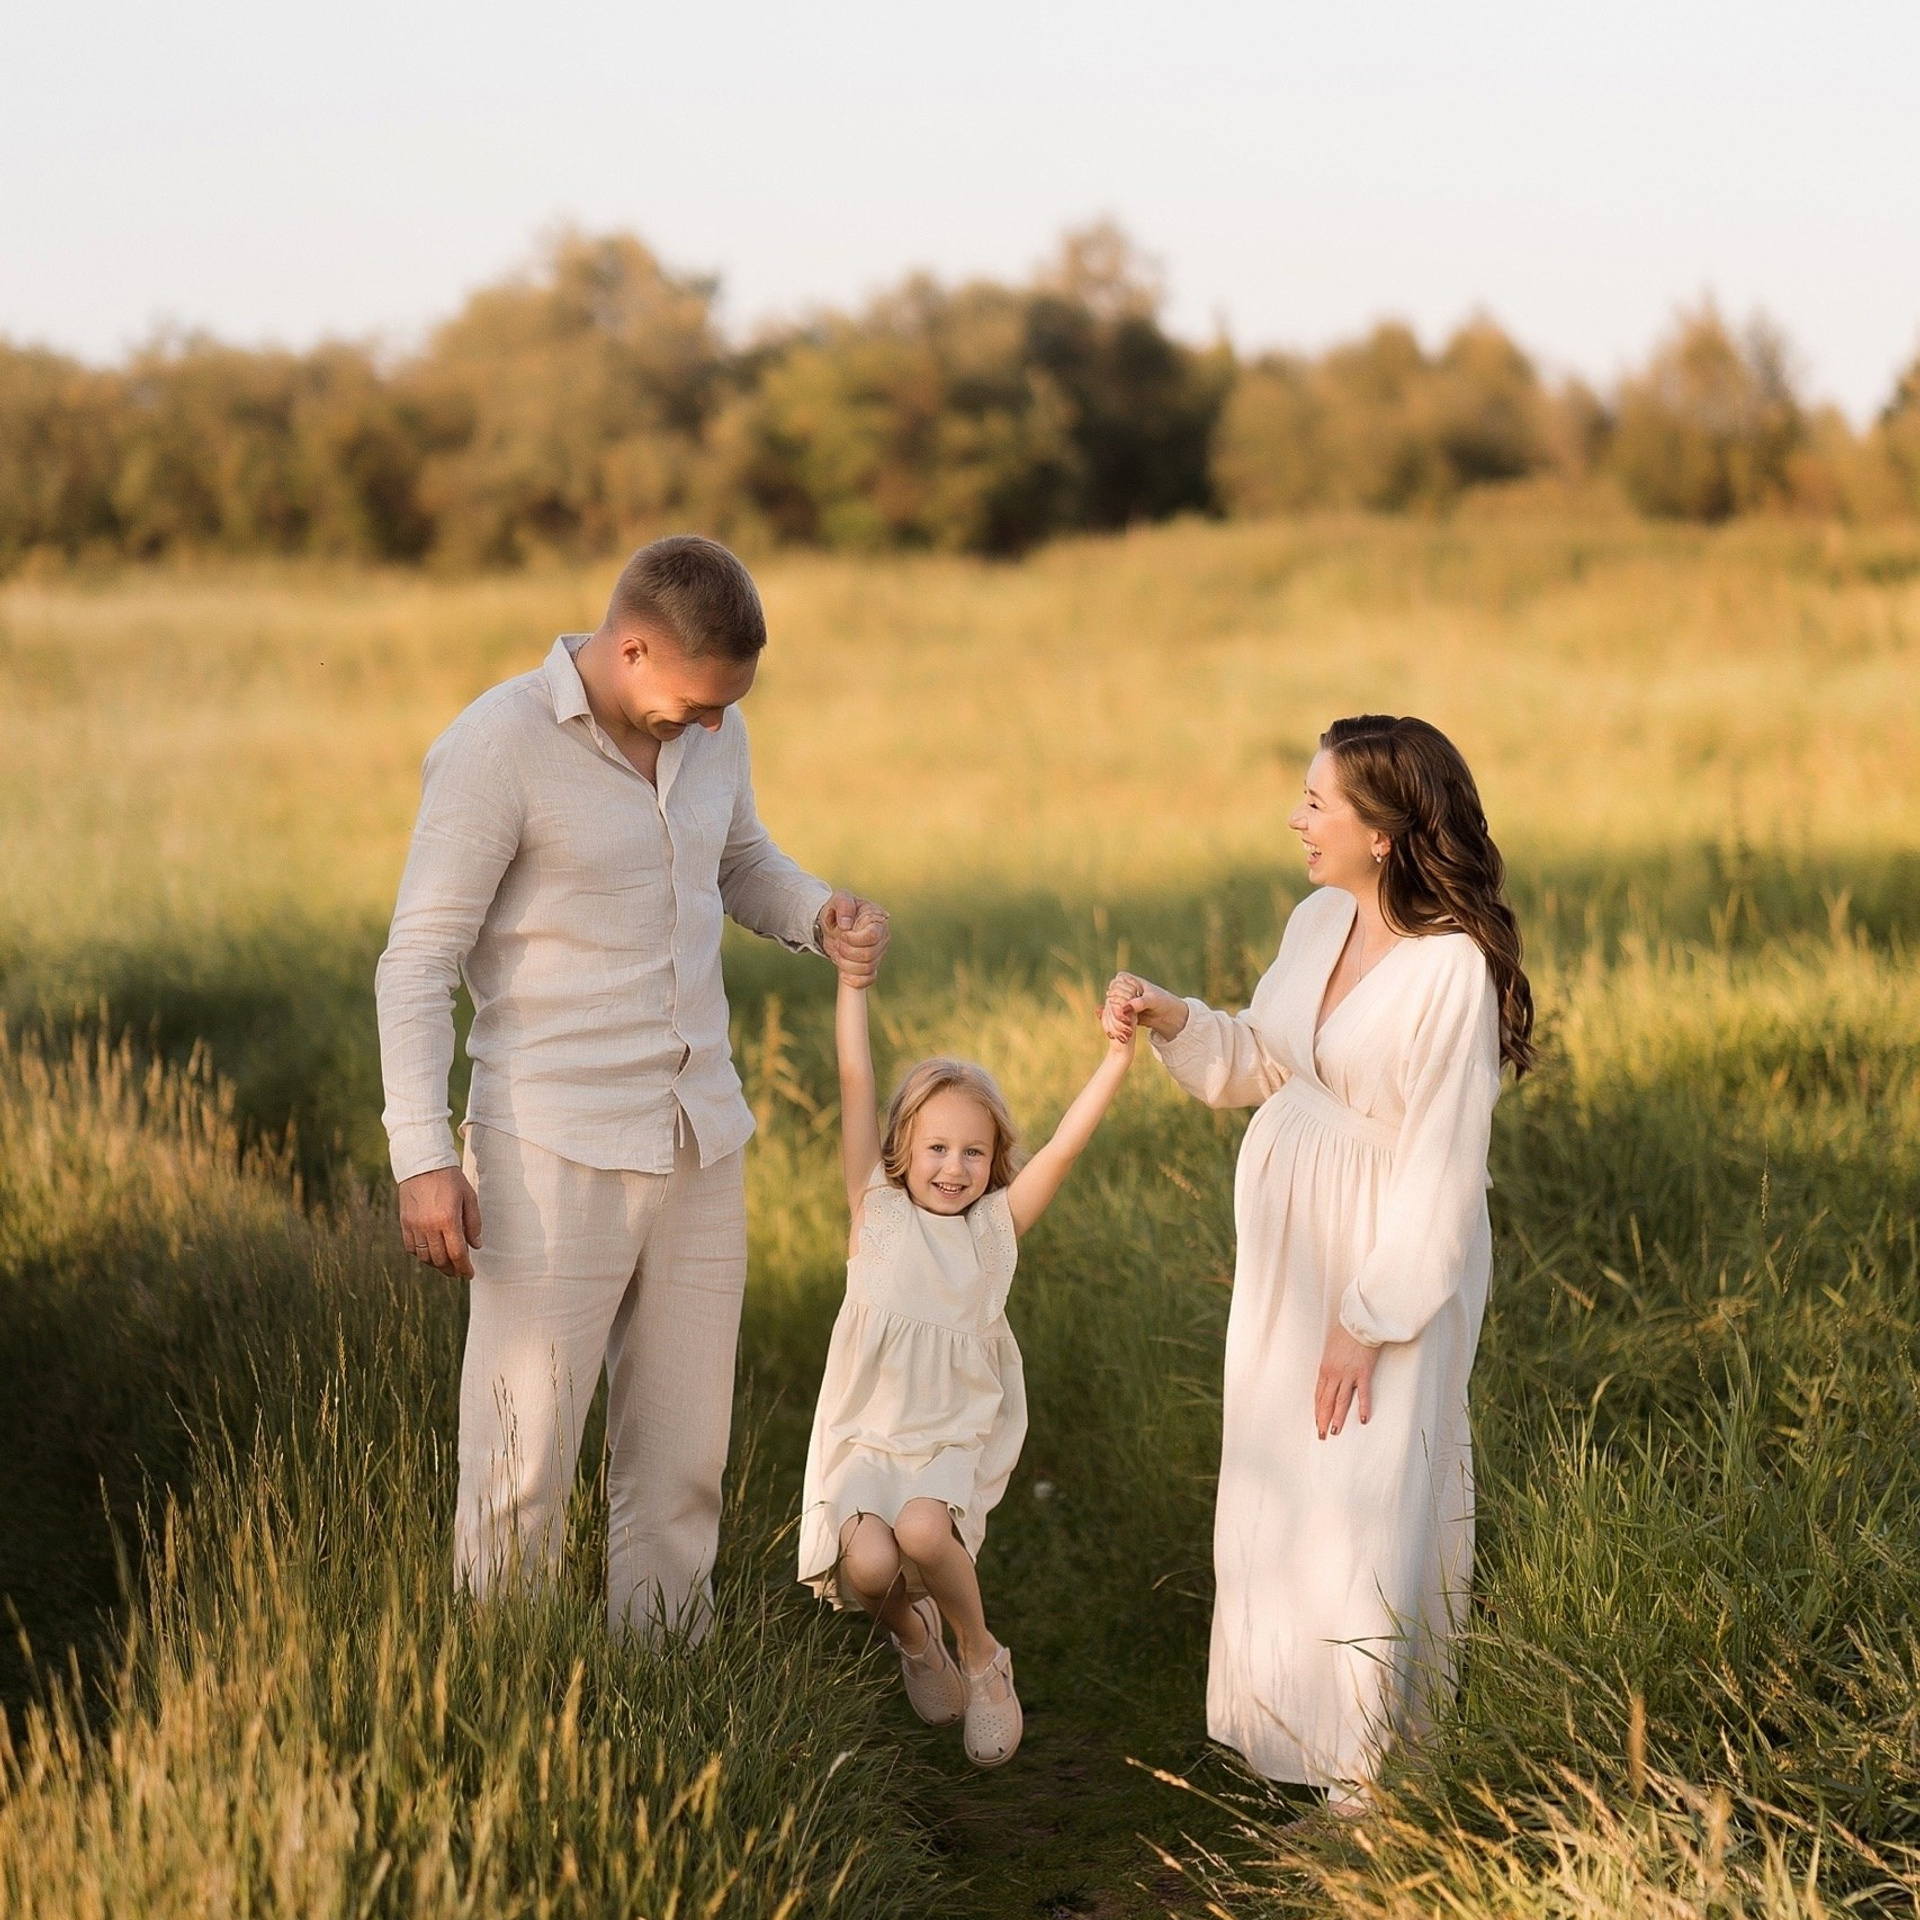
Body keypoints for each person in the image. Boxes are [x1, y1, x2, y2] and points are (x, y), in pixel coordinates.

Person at [375, 533, 888, 1642]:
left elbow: (738, 860)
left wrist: (818, 913)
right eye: (695, 705)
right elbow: (416, 962)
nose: (709, 728)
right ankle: (505, 1686)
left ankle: (665, 1685)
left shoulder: (713, 730)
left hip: (700, 1134)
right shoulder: (497, 745)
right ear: (633, 647)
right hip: (548, 1146)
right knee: (521, 1464)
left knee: (683, 1461)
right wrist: (421, 1156)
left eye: (726, 710)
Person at [1106, 714, 1533, 1812]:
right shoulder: (1317, 920)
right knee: (1288, 1490)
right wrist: (1173, 1017)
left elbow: (1444, 1166)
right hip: (1289, 1264)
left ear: (1381, 831)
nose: (1297, 819)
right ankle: (1297, 1736)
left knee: (1372, 1499)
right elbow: (1263, 1057)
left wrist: (1368, 1316)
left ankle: (1375, 1785)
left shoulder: (1451, 971)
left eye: (1316, 802)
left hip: (1389, 1259)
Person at [797, 956, 1137, 1766]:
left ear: (995, 1159)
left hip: (948, 1437)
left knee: (922, 1529)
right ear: (902, 1150)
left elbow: (1063, 1148)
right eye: (938, 1148)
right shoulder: (874, 1213)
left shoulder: (993, 1233)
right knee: (869, 1563)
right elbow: (855, 1076)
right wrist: (852, 985)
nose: (955, 1168)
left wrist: (1118, 1058)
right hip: (867, 1436)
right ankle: (917, 1640)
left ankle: (981, 1657)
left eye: (974, 1153)